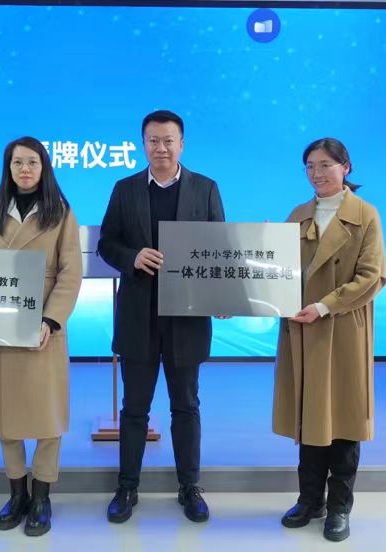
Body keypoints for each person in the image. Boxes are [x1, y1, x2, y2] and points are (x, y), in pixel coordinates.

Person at [97, 109, 225, 524]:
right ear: (143, 144)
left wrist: (221, 296)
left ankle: (190, 487)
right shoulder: (125, 189)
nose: (161, 148)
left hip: (187, 317)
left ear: (181, 144)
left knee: (185, 405)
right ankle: (127, 486)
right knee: (134, 407)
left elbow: (219, 250)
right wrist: (132, 257)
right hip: (139, 315)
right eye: (153, 140)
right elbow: (107, 244)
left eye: (169, 140)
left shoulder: (205, 189)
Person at [272, 137, 386, 543]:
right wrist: (242, 298)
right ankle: (309, 501)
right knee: (310, 419)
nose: (316, 173)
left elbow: (372, 276)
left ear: (345, 167)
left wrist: (323, 306)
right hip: (301, 331)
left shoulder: (365, 215)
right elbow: (273, 270)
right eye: (310, 166)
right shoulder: (297, 215)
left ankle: (339, 507)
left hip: (341, 328)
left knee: (343, 420)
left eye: (325, 165)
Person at [0, 137, 82, 537]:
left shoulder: (60, 213)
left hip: (42, 329)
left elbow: (71, 273)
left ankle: (42, 497)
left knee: (47, 419)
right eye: (17, 162)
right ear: (8, 168)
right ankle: (16, 493)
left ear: (43, 167)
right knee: (8, 419)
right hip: (1, 330)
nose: (24, 169)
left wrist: (51, 320)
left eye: (32, 162)